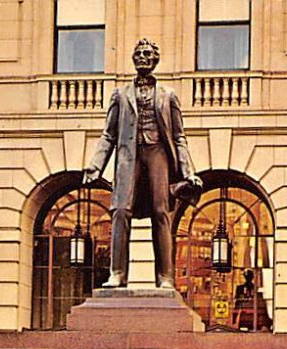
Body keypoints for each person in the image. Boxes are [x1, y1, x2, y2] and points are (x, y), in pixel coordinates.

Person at [83, 38, 201, 289]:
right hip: (129, 156)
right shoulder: (121, 94)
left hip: (157, 153)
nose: (143, 57)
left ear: (155, 60)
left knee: (161, 212)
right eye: (138, 53)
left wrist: (188, 171)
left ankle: (165, 277)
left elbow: (179, 136)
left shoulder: (168, 95)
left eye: (147, 54)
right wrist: (95, 167)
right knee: (120, 210)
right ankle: (117, 274)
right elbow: (109, 134)